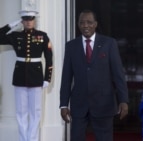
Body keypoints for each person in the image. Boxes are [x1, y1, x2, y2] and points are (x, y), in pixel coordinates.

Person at [59, 9, 129, 141]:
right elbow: (66, 78)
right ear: (78, 24)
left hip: (104, 104)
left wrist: (123, 100)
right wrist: (63, 104)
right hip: (79, 104)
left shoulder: (109, 44)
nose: (85, 25)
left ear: (95, 24)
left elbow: (118, 74)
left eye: (89, 22)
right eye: (82, 22)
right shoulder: (71, 46)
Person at [0, 10, 53, 141]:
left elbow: (49, 58)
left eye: (31, 19)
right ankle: (23, 139)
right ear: (22, 21)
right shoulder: (15, 36)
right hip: (20, 77)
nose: (29, 22)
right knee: (21, 112)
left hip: (36, 77)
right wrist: (10, 25)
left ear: (34, 20)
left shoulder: (42, 36)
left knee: (36, 112)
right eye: (25, 19)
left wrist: (47, 78)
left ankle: (33, 139)